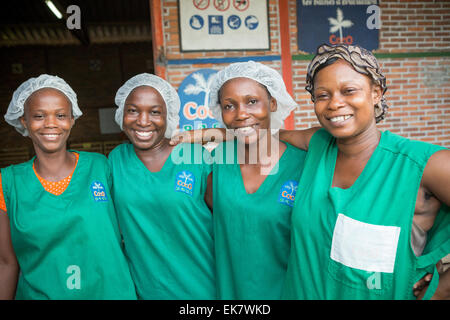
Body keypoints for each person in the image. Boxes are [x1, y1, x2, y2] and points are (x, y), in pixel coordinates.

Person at [279, 44, 450, 300]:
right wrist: (203, 136)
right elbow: (259, 134)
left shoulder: (425, 165)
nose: (335, 103)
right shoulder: (317, 144)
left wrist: (441, 290)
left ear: (376, 93)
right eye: (322, 95)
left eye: (349, 91)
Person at [0, 75, 137, 300]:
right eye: (39, 116)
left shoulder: (102, 166)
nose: (51, 123)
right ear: (24, 121)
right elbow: (5, 263)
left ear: (73, 119)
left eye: (61, 115)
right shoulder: (7, 183)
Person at [197, 61, 307, 299]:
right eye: (229, 105)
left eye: (252, 101)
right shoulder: (213, 167)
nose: (241, 114)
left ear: (273, 103)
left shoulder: (304, 166)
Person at [109, 73, 215, 299]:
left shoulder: (197, 157)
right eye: (133, 110)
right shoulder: (115, 161)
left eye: (155, 111)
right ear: (121, 114)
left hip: (201, 290)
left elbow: (229, 222)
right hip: (146, 291)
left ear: (169, 115)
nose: (143, 120)